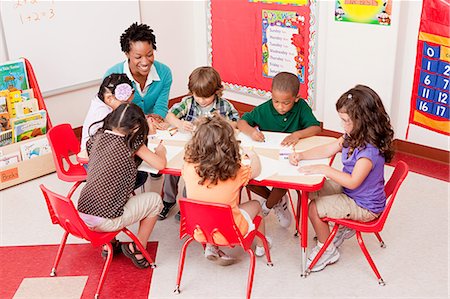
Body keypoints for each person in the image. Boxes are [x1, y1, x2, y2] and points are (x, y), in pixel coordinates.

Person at [288, 84, 394, 272]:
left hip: (364, 206)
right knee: (312, 188)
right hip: (353, 193)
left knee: (314, 208)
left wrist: (325, 169)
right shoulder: (352, 135)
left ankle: (327, 250)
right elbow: (330, 148)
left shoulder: (368, 153)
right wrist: (302, 155)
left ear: (363, 120)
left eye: (346, 121)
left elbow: (353, 181)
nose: (343, 126)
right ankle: (333, 229)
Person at [77, 103, 167, 269]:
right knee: (155, 201)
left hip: (82, 215)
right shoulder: (132, 144)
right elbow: (160, 164)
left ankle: (108, 243)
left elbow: (82, 156)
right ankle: (138, 248)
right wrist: (161, 151)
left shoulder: (97, 137)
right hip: (105, 220)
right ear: (135, 127)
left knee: (106, 189)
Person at [182, 115, 269, 265]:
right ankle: (262, 246)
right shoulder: (236, 171)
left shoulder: (188, 166)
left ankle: (210, 244)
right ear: (229, 144)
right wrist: (253, 154)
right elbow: (257, 170)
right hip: (230, 233)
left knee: (209, 204)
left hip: (199, 230)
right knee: (255, 204)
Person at [237, 72, 321, 228]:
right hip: (266, 157)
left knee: (282, 182)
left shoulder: (301, 107)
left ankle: (268, 206)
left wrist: (298, 134)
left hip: (288, 159)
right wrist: (252, 132)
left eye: (286, 103)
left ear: (296, 98)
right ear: (271, 95)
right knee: (245, 178)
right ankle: (276, 202)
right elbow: (242, 123)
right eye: (276, 101)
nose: (280, 107)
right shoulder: (264, 109)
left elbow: (316, 128)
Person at [158, 66, 240, 221]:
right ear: (192, 92)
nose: (202, 100)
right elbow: (169, 116)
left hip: (210, 151)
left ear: (216, 91)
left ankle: (187, 204)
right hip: (189, 147)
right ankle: (168, 200)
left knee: (194, 174)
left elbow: (236, 123)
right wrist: (180, 124)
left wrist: (223, 122)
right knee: (171, 171)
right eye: (198, 96)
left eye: (206, 97)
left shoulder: (224, 105)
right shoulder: (188, 103)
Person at [81, 73, 149, 190]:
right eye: (124, 104)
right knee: (140, 175)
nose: (126, 108)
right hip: (93, 161)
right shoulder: (102, 115)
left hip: (101, 155)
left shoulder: (105, 104)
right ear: (109, 98)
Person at [105, 23, 172, 127]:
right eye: (138, 57)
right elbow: (113, 114)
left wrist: (156, 119)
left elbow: (161, 107)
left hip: (154, 127)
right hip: (125, 127)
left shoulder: (164, 73)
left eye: (149, 55)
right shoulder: (112, 76)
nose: (145, 62)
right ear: (127, 54)